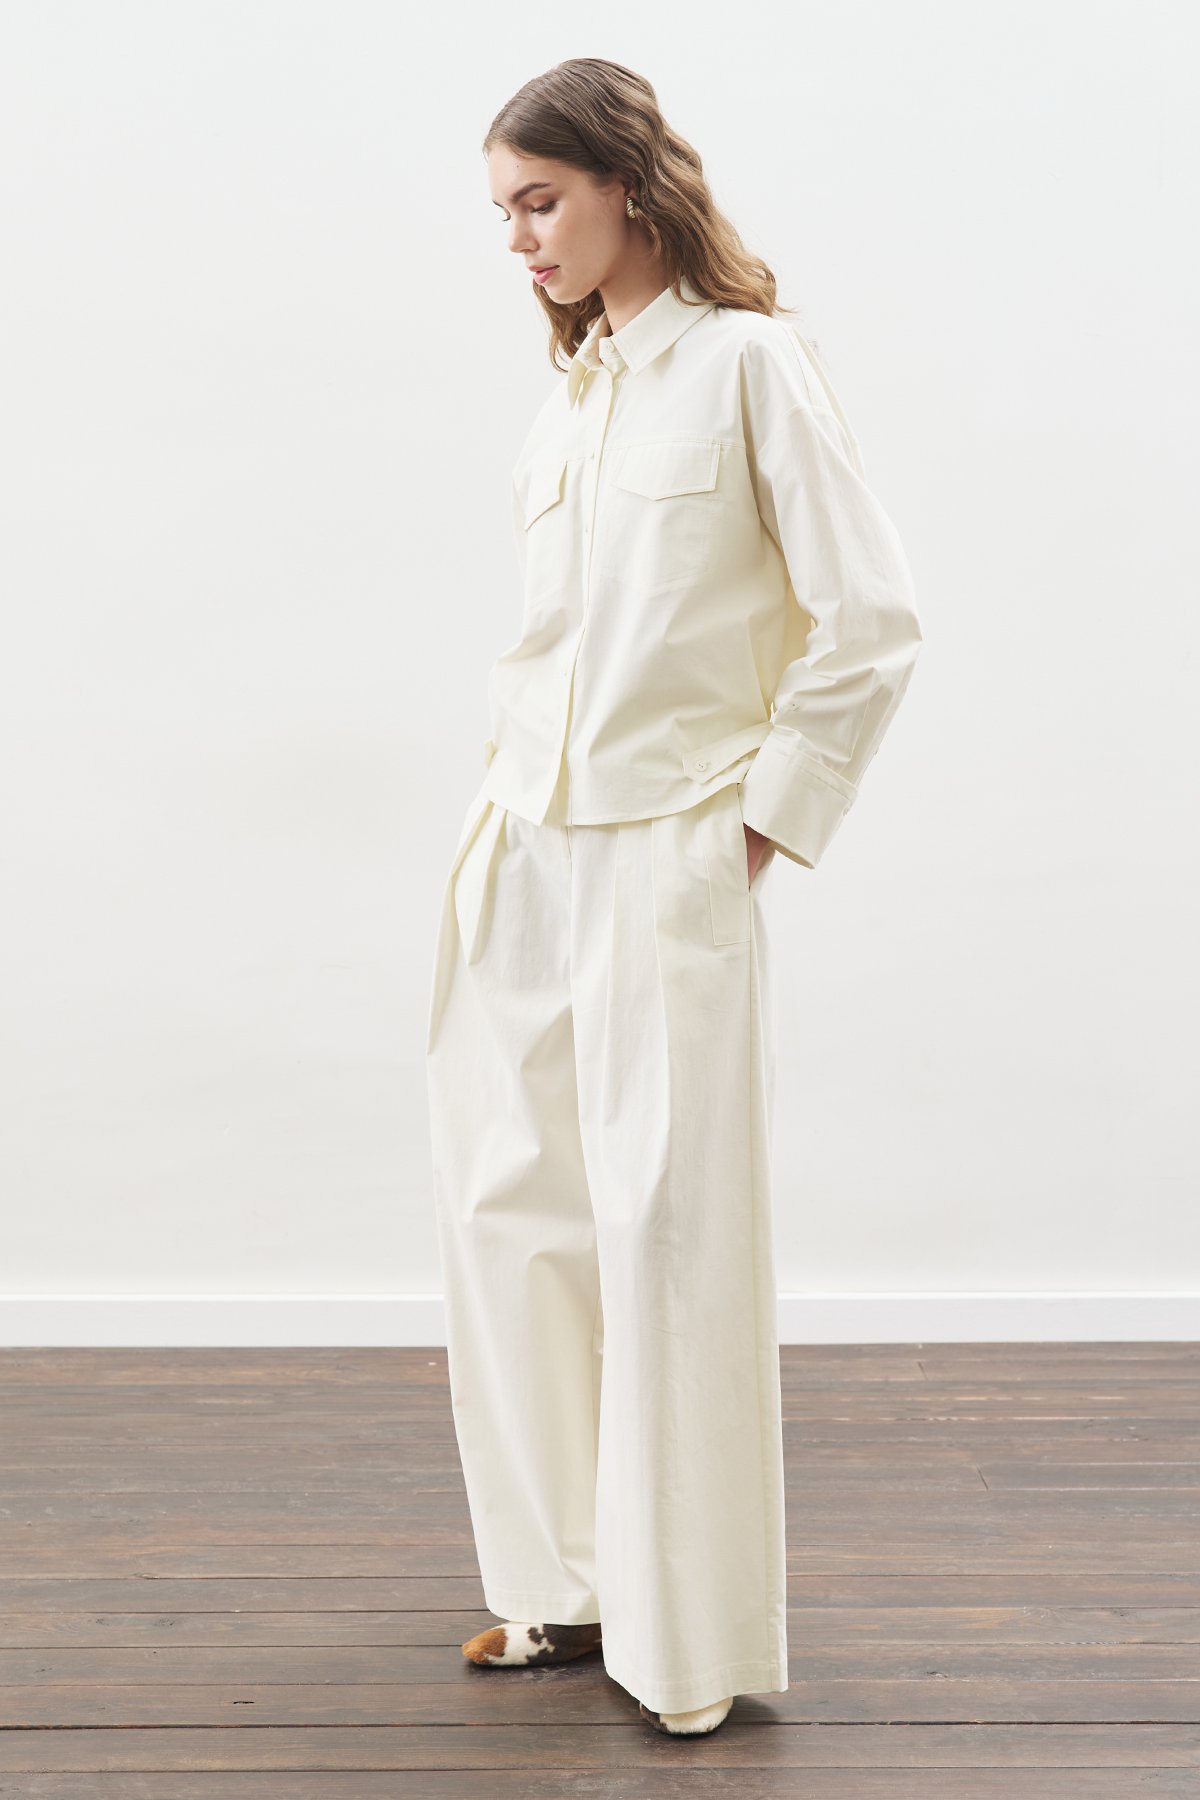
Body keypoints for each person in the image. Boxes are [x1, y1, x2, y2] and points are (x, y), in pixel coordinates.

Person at [424, 57, 923, 1737]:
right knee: (510, 1213)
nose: (519, 239)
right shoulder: (573, 395)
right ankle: (558, 1587)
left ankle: (686, 1642)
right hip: (522, 842)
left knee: (665, 1231)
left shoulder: (749, 366)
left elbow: (871, 621)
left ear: (627, 185)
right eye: (503, 211)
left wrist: (758, 828)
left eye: (540, 201)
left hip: (666, 849)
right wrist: (498, 817)